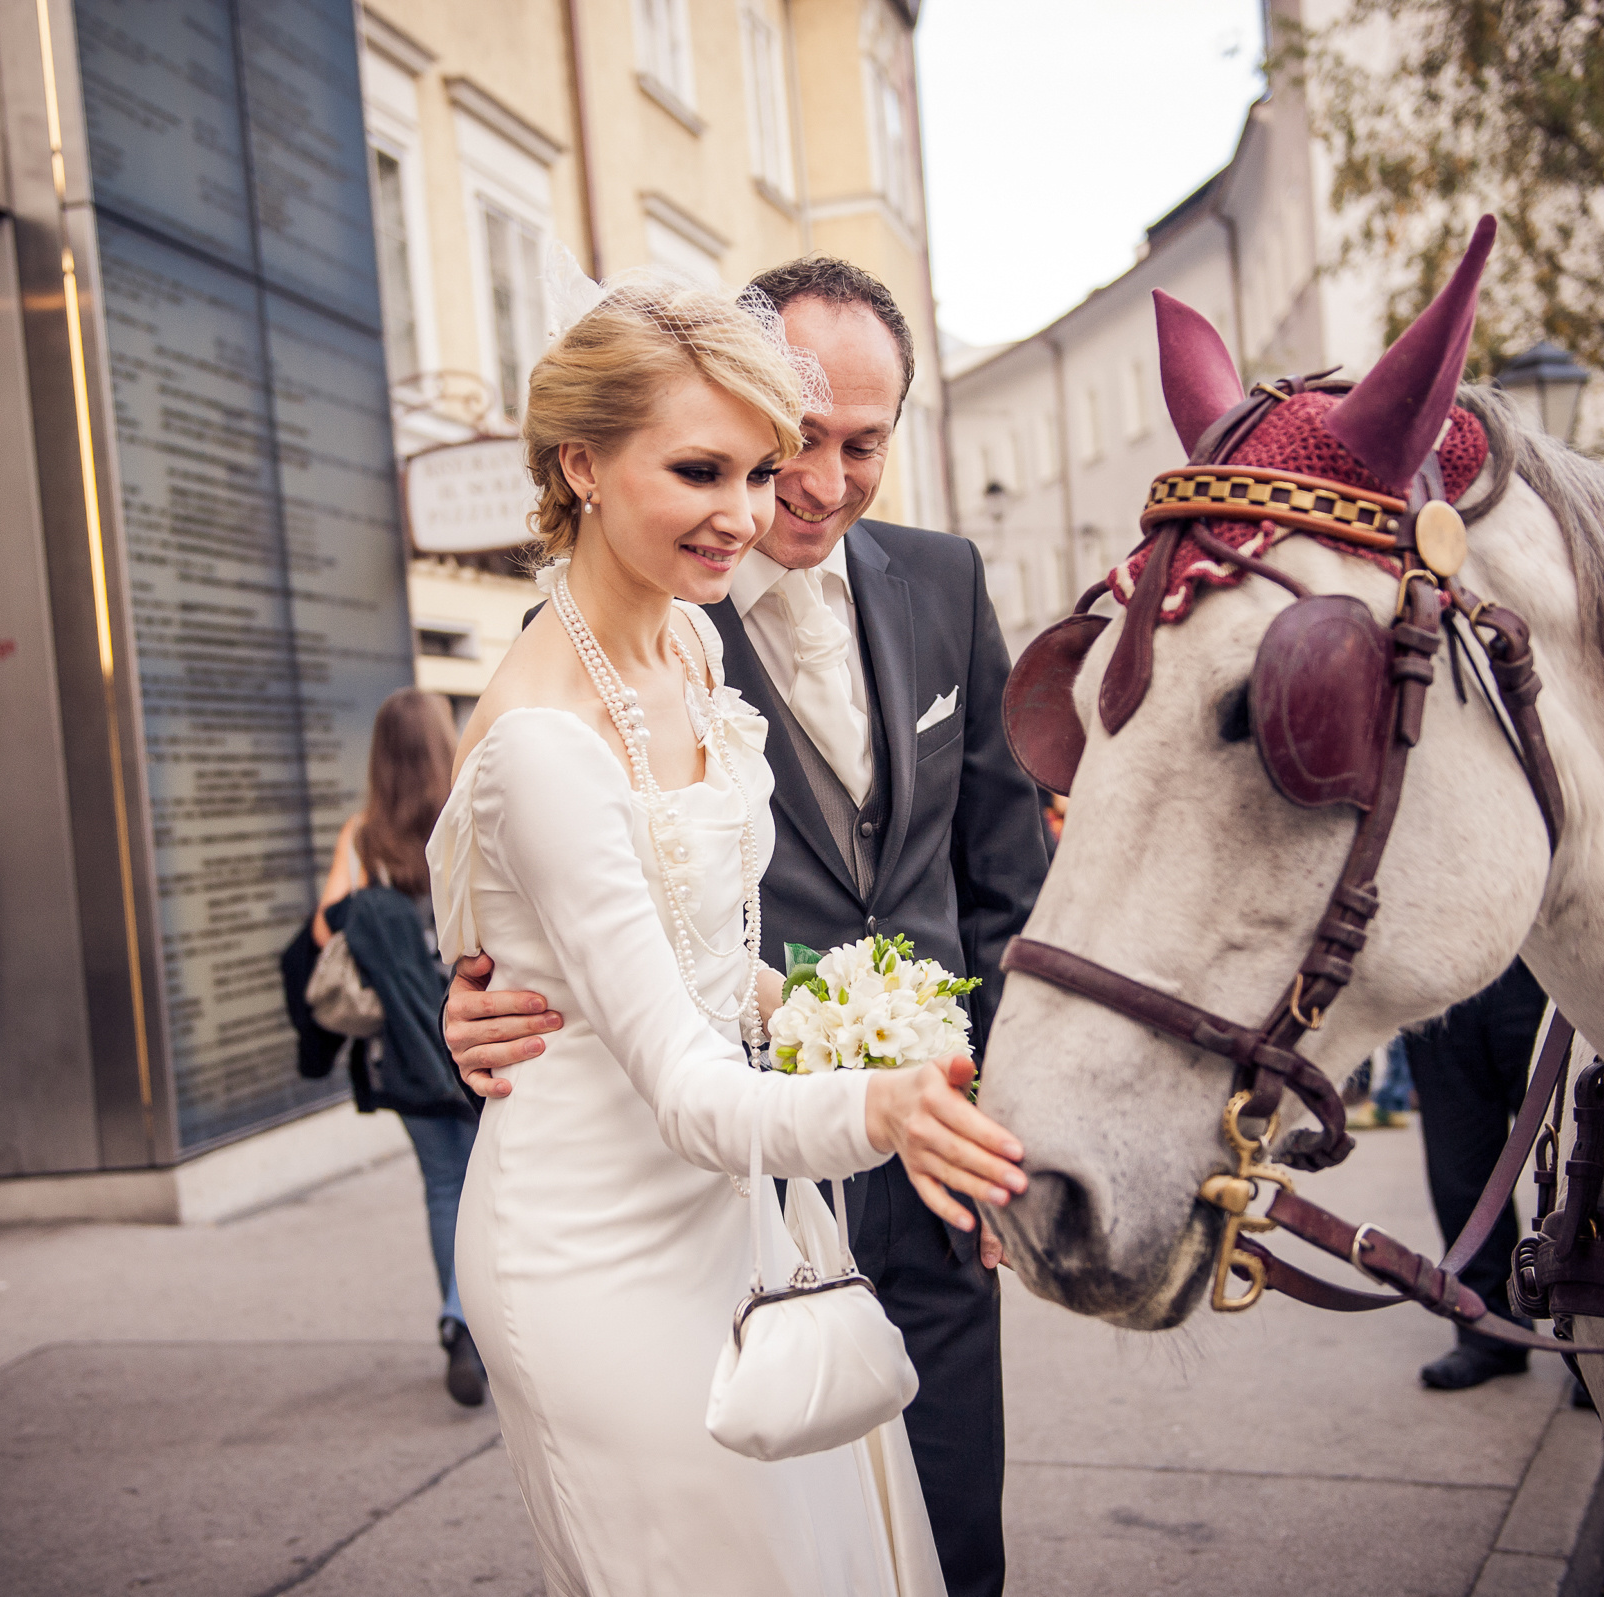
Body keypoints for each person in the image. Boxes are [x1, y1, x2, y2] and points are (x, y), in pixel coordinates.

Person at [444, 258, 1048, 1597]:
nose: (801, 491)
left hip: (876, 1176)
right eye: (780, 449)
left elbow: (1001, 880)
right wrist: (477, 990)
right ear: (589, 465)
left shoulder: (831, 611)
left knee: (940, 1547)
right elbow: (529, 909)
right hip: (675, 1193)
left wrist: (988, 1111)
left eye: (854, 445)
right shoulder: (579, 688)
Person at [301, 689, 488, 1407]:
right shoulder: (464, 812)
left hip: (403, 1051)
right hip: (476, 1027)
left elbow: (325, 929)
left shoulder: (363, 835)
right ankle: (470, 1314)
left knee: (444, 1187)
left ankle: (460, 1324)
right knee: (490, 1183)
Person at [1403, 959, 1546, 1389]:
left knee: (1577, 1163)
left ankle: (1596, 1341)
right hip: (1442, 976)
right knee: (1460, 1173)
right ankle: (1488, 1333)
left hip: (1546, 971)